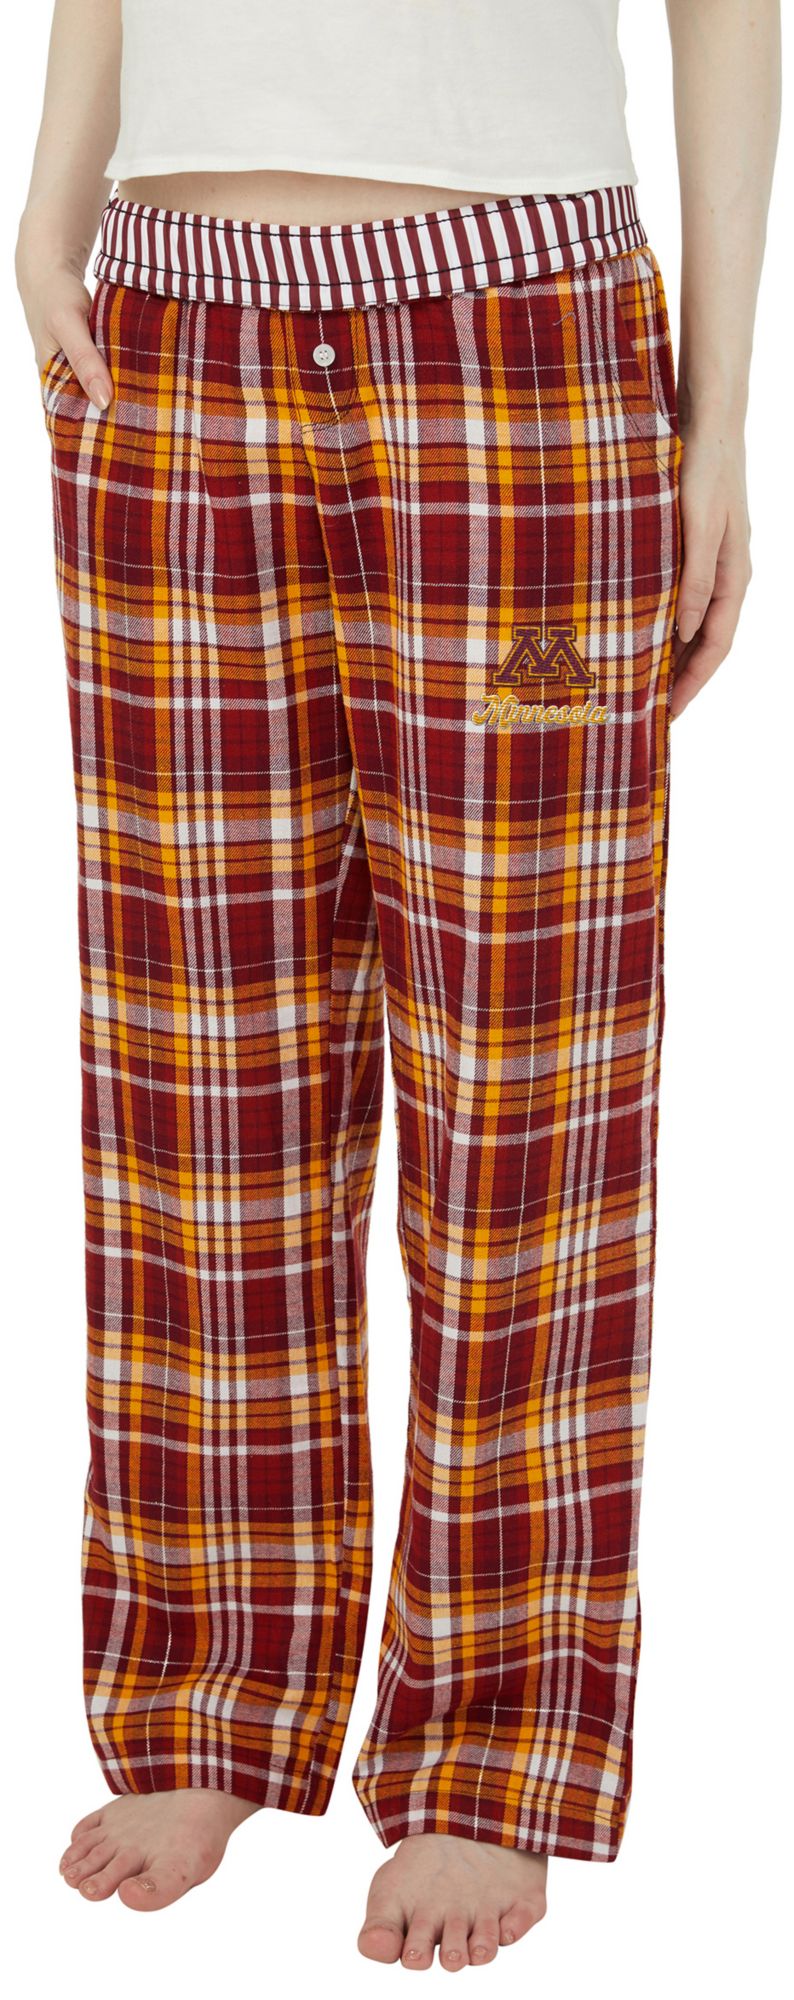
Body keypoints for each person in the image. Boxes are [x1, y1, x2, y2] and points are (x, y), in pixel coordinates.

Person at [15, 0, 780, 1972]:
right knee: (198, 1060)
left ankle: (494, 1743)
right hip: (169, 343)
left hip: (516, 351)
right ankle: (212, 1685)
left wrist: (716, 419)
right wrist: (51, 197)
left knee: (527, 1071)